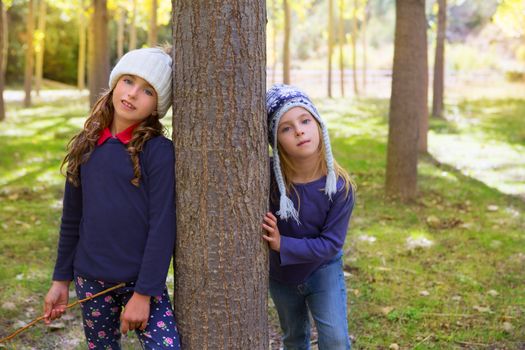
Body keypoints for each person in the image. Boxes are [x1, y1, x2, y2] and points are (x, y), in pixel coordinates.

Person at [43, 47, 181, 349]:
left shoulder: (158, 152)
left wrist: (144, 294)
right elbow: (71, 220)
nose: (132, 94)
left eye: (147, 90)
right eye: (128, 81)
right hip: (91, 282)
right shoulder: (86, 145)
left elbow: (162, 225)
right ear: (115, 82)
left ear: (158, 105)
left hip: (142, 283)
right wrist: (60, 281)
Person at [262, 84, 355, 350]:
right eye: (286, 128)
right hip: (281, 275)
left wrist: (283, 244)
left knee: (335, 339)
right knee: (293, 338)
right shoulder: (267, 177)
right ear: (275, 140)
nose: (299, 131)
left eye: (305, 120)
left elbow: (331, 244)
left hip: (322, 269)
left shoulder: (339, 187)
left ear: (318, 125)